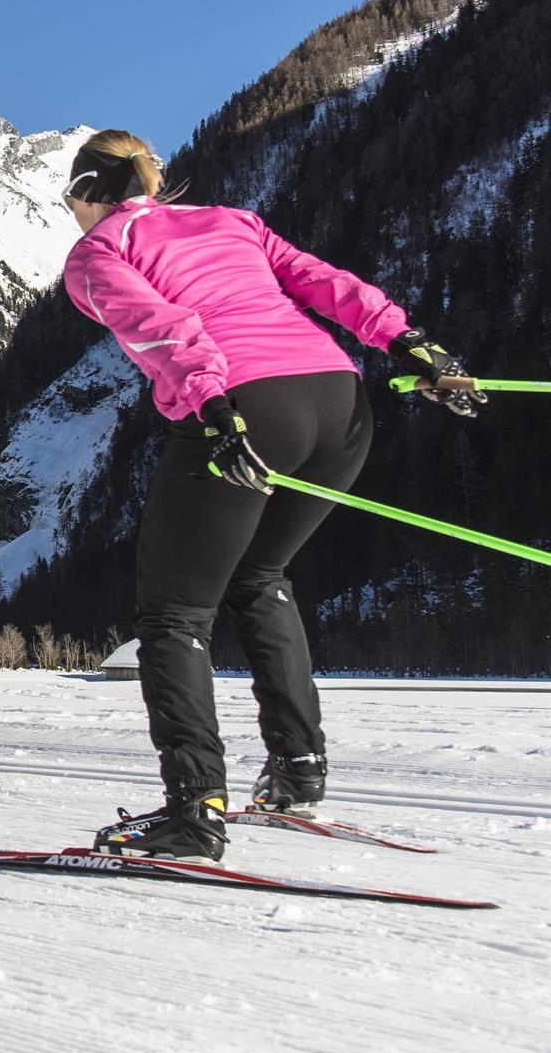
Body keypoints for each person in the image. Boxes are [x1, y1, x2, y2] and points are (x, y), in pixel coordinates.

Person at [59, 130, 481, 862]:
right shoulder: (230, 222)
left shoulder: (97, 255)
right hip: (339, 402)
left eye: (70, 199)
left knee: (174, 614)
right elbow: (323, 282)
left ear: (89, 193)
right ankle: (296, 771)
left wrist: (214, 408)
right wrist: (410, 343)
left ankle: (194, 811)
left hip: (243, 403)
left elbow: (160, 327)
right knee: (258, 576)